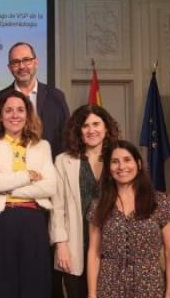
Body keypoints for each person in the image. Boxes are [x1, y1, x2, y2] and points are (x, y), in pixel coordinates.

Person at [0, 90, 58, 298]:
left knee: (35, 284)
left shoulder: (42, 146)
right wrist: (28, 175)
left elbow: (49, 187)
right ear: (0, 115)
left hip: (33, 220)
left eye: (20, 110)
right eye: (9, 110)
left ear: (28, 114)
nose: (15, 115)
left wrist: (6, 183)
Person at [86, 140, 170, 298]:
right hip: (109, 287)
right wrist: (92, 294)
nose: (122, 167)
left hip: (149, 286)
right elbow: (94, 253)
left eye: (127, 160)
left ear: (139, 164)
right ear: (109, 169)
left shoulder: (161, 202)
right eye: (115, 162)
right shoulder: (98, 206)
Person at [50, 105, 120, 298]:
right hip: (76, 243)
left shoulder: (119, 157)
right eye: (85, 126)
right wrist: (61, 244)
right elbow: (57, 206)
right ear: (78, 131)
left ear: (106, 127)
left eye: (96, 124)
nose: (92, 130)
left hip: (113, 243)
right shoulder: (63, 161)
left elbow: (138, 190)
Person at [0, 42, 70, 159]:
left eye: (26, 60)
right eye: (16, 62)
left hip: (50, 169)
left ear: (36, 62)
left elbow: (67, 135)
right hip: (10, 170)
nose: (21, 66)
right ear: (9, 68)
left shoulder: (56, 97)